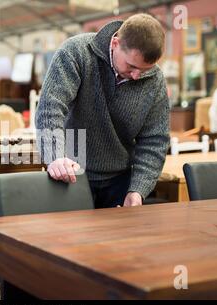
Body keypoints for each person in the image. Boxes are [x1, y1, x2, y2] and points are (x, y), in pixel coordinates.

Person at [35, 13, 170, 208]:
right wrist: (55, 156)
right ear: (115, 43)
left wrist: (138, 190)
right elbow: (50, 107)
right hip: (70, 175)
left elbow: (154, 140)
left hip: (120, 183)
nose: (136, 76)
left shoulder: (154, 80)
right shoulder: (76, 53)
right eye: (131, 66)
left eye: (145, 69)